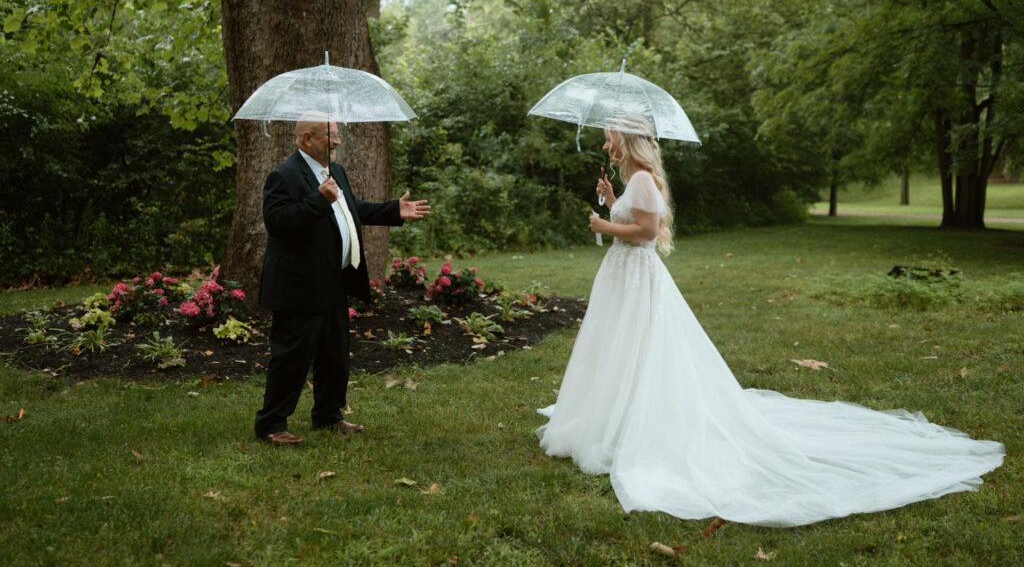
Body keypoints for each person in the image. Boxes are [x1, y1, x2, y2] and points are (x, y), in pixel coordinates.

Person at [536, 117, 1004, 527]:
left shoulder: (642, 179)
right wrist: (612, 199)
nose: (604, 145)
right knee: (624, 348)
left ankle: (631, 423)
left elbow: (644, 232)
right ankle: (617, 416)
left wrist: (605, 225)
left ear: (626, 140)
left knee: (636, 347)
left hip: (635, 278)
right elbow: (636, 216)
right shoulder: (634, 181)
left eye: (608, 137)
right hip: (625, 279)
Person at [255, 112, 430, 445]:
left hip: (332, 281)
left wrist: (394, 210)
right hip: (298, 286)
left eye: (336, 134)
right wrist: (319, 199)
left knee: (334, 354)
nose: (336, 141)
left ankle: (328, 415)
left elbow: (351, 208)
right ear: (306, 138)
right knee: (291, 357)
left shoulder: (334, 172)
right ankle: (271, 424)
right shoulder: (284, 176)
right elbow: (278, 222)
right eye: (328, 135)